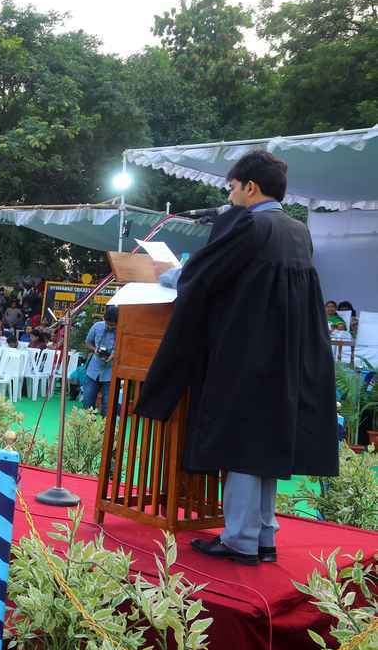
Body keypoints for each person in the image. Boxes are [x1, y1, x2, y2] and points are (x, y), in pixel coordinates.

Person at [137, 150, 337, 567]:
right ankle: (263, 536)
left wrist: (166, 275)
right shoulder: (297, 230)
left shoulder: (250, 224)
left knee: (242, 441)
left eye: (231, 188)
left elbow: (204, 274)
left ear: (250, 187)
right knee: (265, 442)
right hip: (285, 357)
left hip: (248, 353)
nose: (229, 197)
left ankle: (240, 540)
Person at [80, 306, 117, 416]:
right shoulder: (97, 326)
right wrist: (94, 349)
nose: (110, 326)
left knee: (108, 406)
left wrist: (114, 354)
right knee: (87, 402)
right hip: (93, 370)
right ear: (104, 319)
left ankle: (105, 426)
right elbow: (88, 342)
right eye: (108, 324)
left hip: (110, 371)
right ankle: (89, 425)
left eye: (113, 325)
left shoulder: (121, 330)